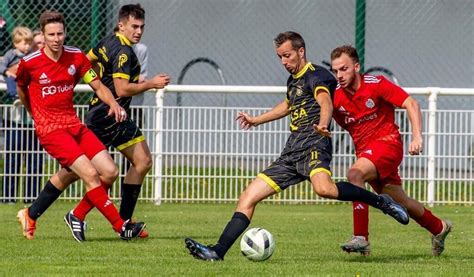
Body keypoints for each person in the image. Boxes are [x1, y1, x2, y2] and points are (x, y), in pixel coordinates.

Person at [184, 31, 410, 261]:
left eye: (287, 55)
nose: (284, 62)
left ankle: (381, 201)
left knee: (324, 189)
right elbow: (288, 105)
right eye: (280, 57)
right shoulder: (294, 81)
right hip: (291, 152)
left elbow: (325, 102)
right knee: (248, 197)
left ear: (301, 51)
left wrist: (323, 124)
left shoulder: (317, 76)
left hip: (314, 144)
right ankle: (217, 251)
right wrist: (256, 119)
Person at [15, 10, 146, 241]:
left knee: (110, 172)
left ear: (65, 33)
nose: (56, 39)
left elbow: (98, 86)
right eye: (51, 34)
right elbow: (22, 89)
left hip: (74, 125)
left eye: (60, 33)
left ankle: (34, 213)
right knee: (89, 174)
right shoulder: (30, 63)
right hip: (51, 130)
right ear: (42, 36)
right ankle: (120, 226)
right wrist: (33, 113)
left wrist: (114, 104)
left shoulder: (75, 57)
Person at [56, 4, 170, 242]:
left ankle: (125, 222)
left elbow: (86, 61)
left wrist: (98, 81)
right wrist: (151, 84)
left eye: (142, 27)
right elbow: (122, 88)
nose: (138, 31)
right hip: (106, 117)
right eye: (134, 26)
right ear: (122, 25)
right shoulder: (124, 52)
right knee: (77, 172)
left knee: (142, 160)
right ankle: (66, 214)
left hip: (112, 116)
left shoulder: (108, 41)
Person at [329, 45, 452, 256]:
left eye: (344, 69)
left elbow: (411, 104)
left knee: (354, 174)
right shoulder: (337, 97)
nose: (339, 75)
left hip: (388, 144)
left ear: (356, 67)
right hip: (367, 154)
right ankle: (439, 228)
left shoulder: (376, 84)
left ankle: (361, 237)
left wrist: (416, 136)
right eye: (335, 71)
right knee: (400, 201)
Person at [1, 26, 43, 203]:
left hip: (38, 120)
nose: (41, 46)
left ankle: (31, 197)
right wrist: (9, 72)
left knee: (36, 160)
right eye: (38, 43)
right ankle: (8, 196)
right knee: (13, 157)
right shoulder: (15, 57)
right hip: (16, 119)